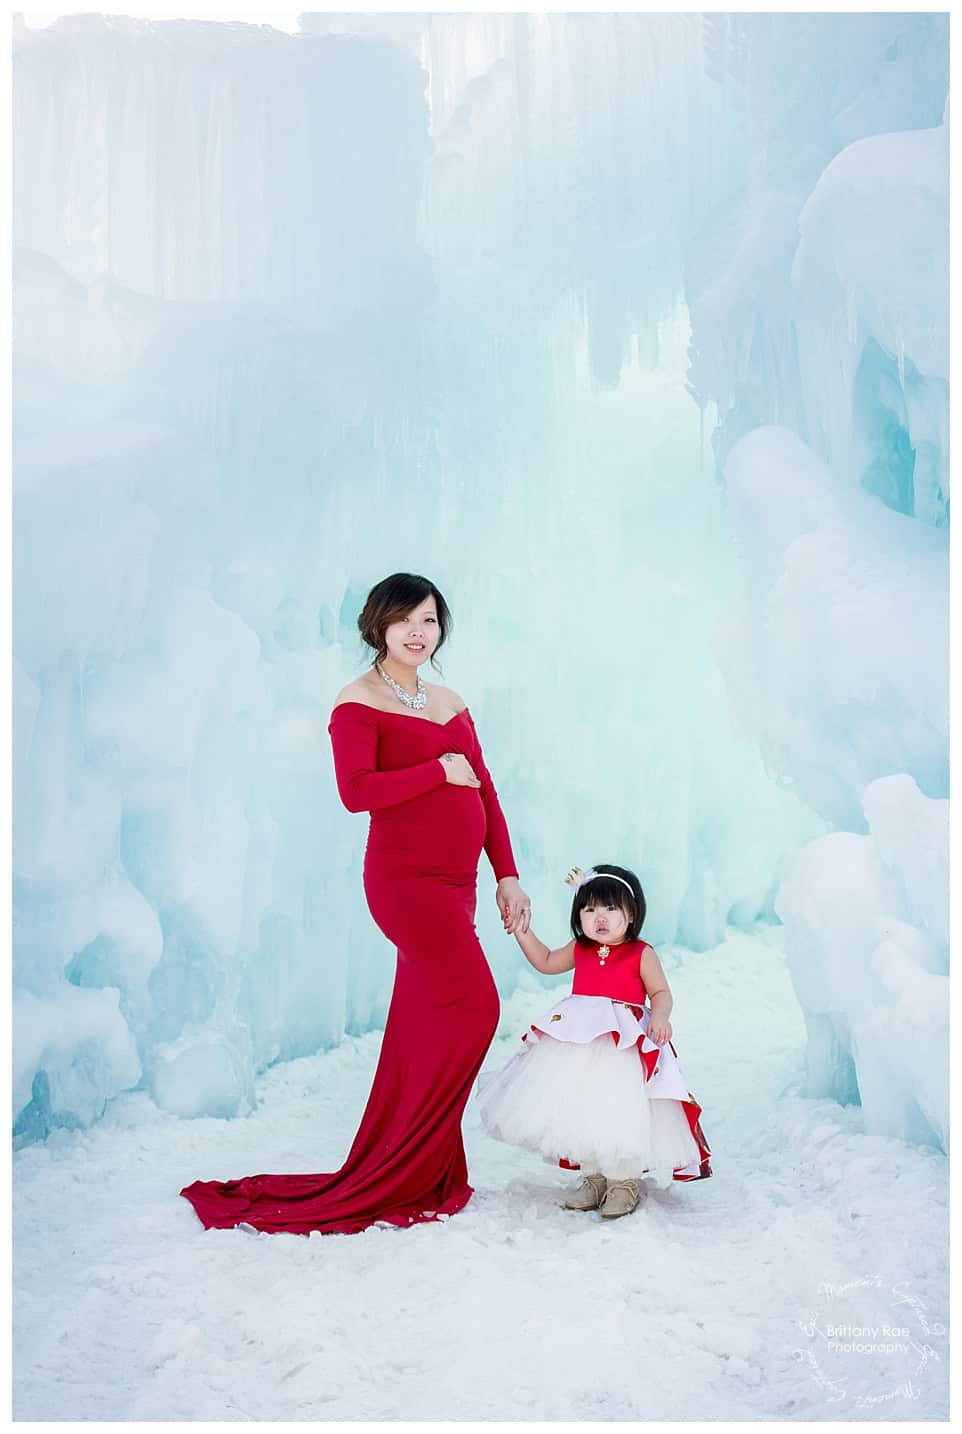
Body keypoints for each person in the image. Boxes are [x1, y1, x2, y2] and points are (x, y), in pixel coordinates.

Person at [180, 572, 531, 1235]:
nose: (418, 632)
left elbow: (486, 794)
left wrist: (506, 876)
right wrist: (436, 771)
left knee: (421, 1026)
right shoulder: (357, 702)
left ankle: (418, 1165)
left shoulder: (450, 701)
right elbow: (356, 790)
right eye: (405, 620)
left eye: (429, 620)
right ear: (378, 625)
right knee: (476, 1007)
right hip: (405, 884)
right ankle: (404, 1168)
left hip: (459, 886)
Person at [477, 863, 712, 1219]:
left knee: (618, 1107)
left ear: (631, 915)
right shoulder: (581, 948)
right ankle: (594, 1177)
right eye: (589, 909)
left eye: (610, 908)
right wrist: (522, 931)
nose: (598, 917)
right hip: (578, 1037)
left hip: (621, 1043)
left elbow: (660, 992)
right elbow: (545, 960)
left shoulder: (640, 953)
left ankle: (622, 1180)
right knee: (582, 1105)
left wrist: (660, 1016)